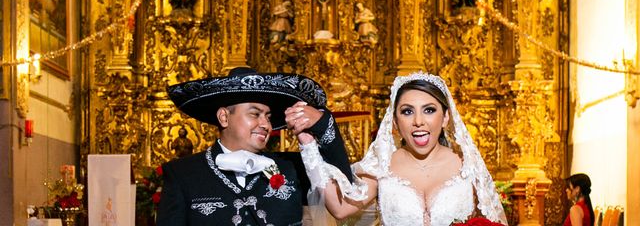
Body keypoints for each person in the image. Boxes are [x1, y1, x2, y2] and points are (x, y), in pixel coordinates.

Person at [295, 71, 507, 226]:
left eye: (429, 110)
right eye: (407, 112)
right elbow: (340, 209)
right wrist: (308, 145)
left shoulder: (467, 165)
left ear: (445, 118)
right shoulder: (381, 165)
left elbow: (493, 219)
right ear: (394, 122)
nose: (418, 121)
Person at [157, 67, 353, 225]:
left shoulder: (292, 168)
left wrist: (322, 122)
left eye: (268, 117)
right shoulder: (182, 174)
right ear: (224, 117)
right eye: (254, 114)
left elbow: (345, 194)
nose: (265, 125)